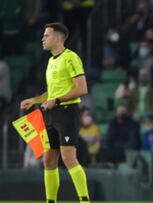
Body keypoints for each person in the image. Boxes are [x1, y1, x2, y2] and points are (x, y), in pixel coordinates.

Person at [20, 22, 90, 203]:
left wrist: (57, 100)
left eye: (46, 35)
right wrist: (35, 100)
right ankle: (50, 201)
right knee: (48, 159)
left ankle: (84, 200)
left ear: (58, 37)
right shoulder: (51, 61)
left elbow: (82, 88)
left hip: (67, 112)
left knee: (68, 157)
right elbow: (52, 92)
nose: (42, 39)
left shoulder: (71, 57)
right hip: (50, 113)